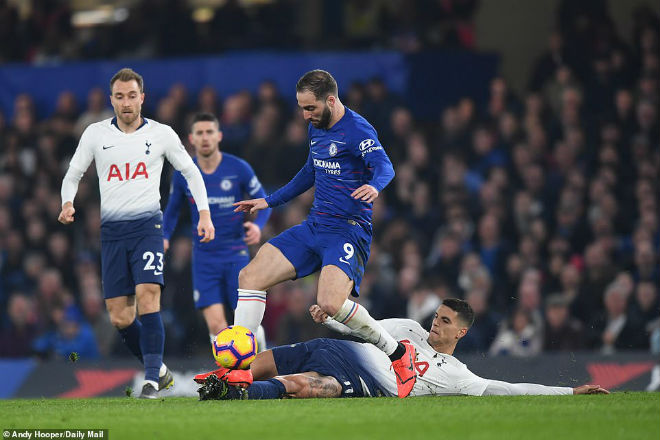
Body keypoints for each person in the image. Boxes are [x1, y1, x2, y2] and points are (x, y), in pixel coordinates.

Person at [231, 70, 417, 397]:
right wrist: (268, 201)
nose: (306, 115)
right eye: (302, 109)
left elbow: (385, 166)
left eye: (311, 108)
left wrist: (374, 186)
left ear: (330, 100)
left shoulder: (358, 130)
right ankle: (238, 367)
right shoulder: (316, 128)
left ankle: (399, 352)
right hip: (315, 225)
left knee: (330, 304)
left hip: (347, 231)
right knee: (250, 276)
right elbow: (309, 172)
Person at [58, 68, 215, 399]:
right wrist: (67, 202)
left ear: (142, 98)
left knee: (148, 296)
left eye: (132, 96)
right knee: (119, 316)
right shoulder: (95, 134)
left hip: (148, 227)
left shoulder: (161, 134)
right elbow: (73, 173)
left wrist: (203, 213)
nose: (126, 102)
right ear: (111, 99)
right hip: (112, 232)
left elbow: (191, 172)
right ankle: (159, 370)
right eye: (120, 96)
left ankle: (150, 384)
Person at [194, 299, 609, 400]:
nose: (436, 322)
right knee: (273, 357)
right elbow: (368, 326)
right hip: (333, 346)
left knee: (303, 384)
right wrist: (332, 315)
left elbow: (507, 388)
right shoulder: (408, 328)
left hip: (362, 379)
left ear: (461, 333)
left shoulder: (456, 372)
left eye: (446, 321)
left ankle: (235, 392)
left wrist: (569, 392)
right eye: (438, 315)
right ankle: (224, 378)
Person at [163, 112, 271, 344]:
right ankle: (232, 379)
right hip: (204, 257)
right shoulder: (184, 173)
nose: (205, 138)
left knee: (245, 326)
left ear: (219, 136)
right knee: (216, 326)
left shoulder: (238, 168)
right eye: (199, 133)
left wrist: (258, 225)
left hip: (236, 254)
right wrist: (164, 237)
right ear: (191, 139)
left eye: (209, 132)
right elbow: (171, 210)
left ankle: (260, 360)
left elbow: (265, 202)